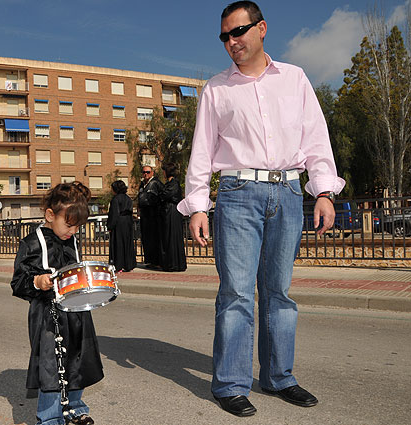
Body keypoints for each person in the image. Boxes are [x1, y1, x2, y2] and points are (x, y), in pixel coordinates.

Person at [177, 1, 345, 417]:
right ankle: (230, 383)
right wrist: (198, 206)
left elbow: (315, 140)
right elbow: (202, 153)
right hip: (236, 193)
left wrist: (323, 192)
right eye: (224, 37)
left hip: (288, 193)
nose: (231, 42)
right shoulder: (217, 89)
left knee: (279, 293)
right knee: (235, 293)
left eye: (238, 32)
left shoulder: (295, 79)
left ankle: (279, 377)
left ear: (262, 28)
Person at [10, 182, 102, 425]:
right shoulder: (32, 242)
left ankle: (74, 407)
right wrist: (37, 281)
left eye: (77, 226)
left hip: (76, 311)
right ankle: (50, 417)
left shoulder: (71, 240)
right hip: (47, 316)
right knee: (51, 366)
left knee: (77, 360)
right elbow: (18, 282)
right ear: (50, 215)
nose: (72, 230)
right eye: (68, 224)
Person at [159, 162, 187, 272]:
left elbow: (165, 195)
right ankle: (169, 263)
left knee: (172, 237)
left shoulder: (174, 184)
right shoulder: (169, 183)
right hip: (168, 212)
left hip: (172, 213)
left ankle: (174, 264)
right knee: (167, 237)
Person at [107, 180, 136, 272]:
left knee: (118, 243)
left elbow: (114, 214)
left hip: (119, 223)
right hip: (128, 222)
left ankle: (118, 264)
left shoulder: (115, 199)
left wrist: (110, 226)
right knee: (127, 243)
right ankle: (128, 264)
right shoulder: (128, 198)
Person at [137, 165, 163, 268]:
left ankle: (156, 261)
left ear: (152, 173)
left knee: (154, 238)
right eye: (144, 172)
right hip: (145, 215)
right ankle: (150, 260)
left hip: (153, 215)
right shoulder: (142, 184)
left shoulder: (156, 183)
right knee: (146, 238)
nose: (145, 174)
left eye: (148, 172)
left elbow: (161, 197)